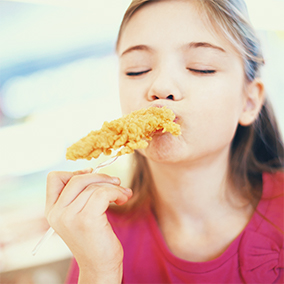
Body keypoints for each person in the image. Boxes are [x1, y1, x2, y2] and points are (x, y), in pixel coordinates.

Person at [45, 0, 284, 283]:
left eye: (201, 67)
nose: (161, 87)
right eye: (137, 69)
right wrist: (99, 272)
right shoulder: (98, 236)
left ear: (249, 101)